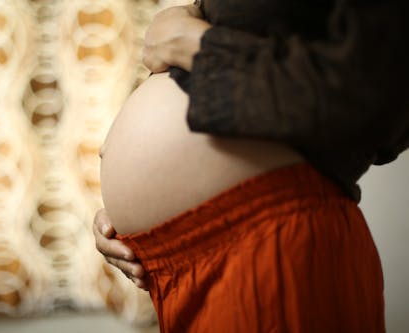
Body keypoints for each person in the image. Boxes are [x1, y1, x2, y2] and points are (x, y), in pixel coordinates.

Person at [94, 0, 409, 332]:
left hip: (274, 246)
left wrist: (195, 45)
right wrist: (127, 209)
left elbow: (379, 94)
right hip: (178, 268)